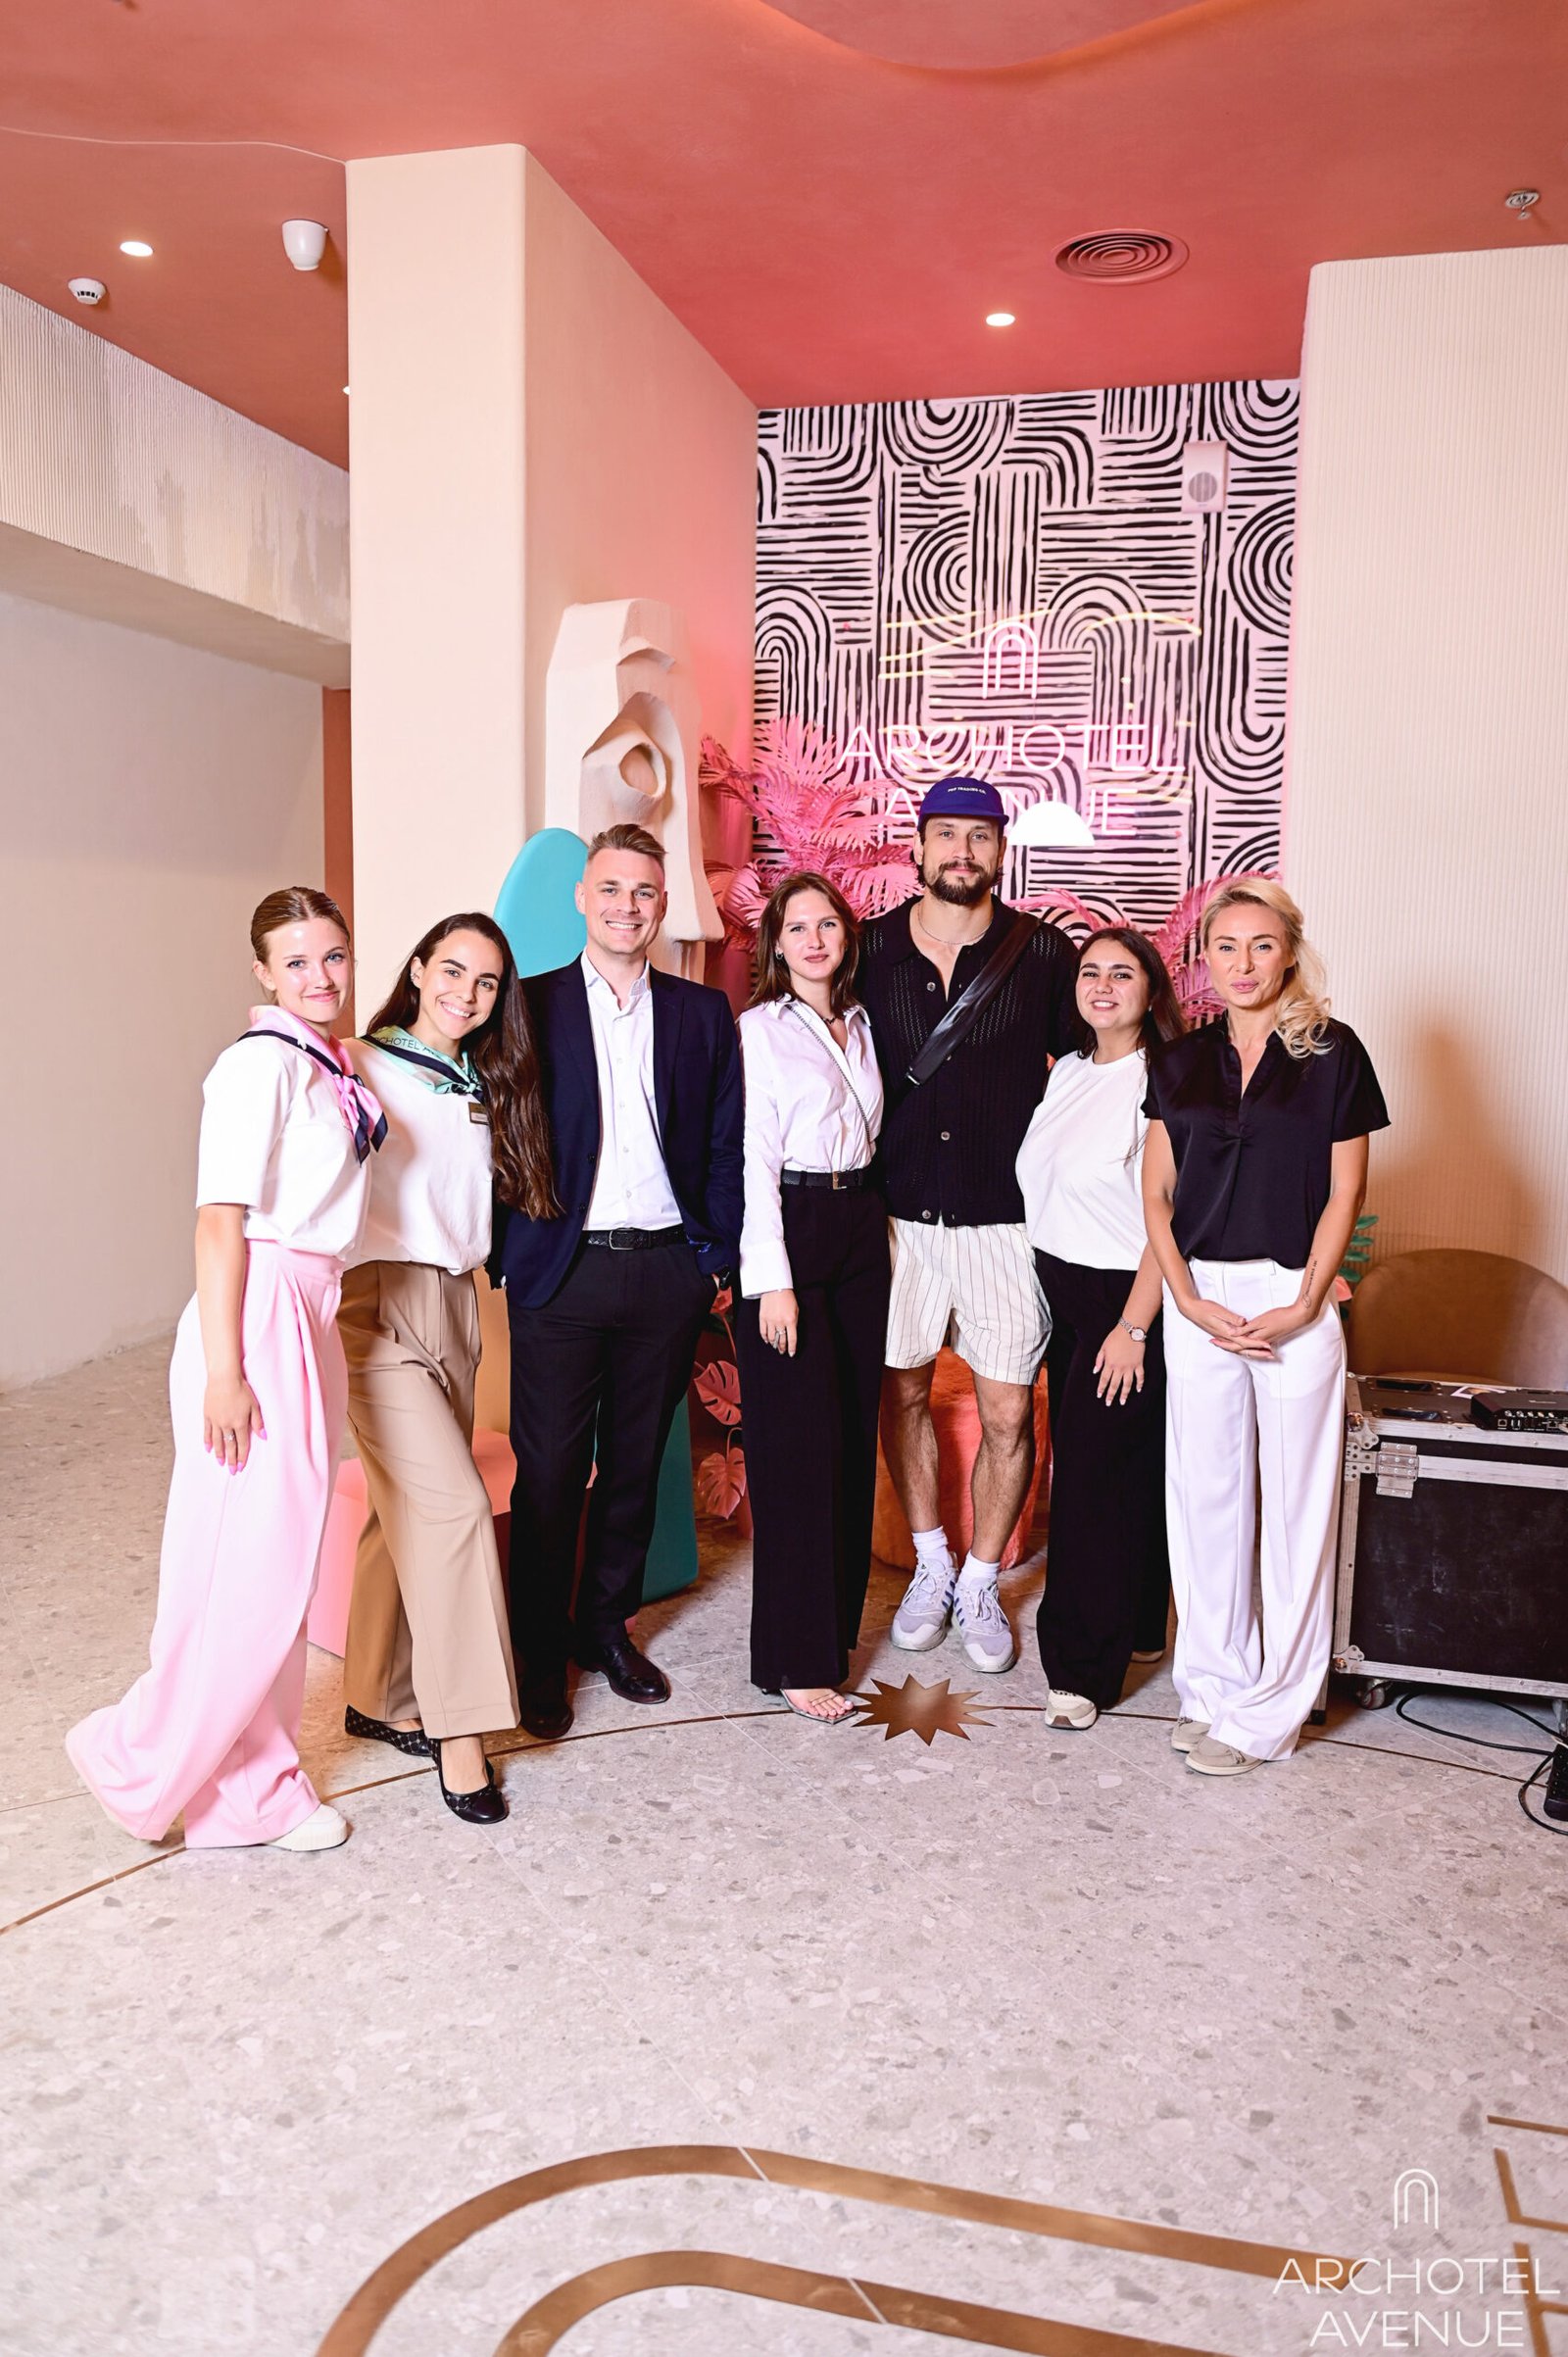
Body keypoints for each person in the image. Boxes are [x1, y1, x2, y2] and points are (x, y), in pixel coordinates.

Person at [67, 887, 383, 1853]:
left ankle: (247, 1787)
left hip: (308, 1308)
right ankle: (143, 1758)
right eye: (297, 961)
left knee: (276, 1568)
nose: (320, 976)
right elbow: (218, 1221)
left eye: (332, 955)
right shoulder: (257, 1065)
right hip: (258, 1312)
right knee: (245, 1569)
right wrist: (224, 1370)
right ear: (262, 971)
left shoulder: (329, 1061)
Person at [497, 822, 744, 1738]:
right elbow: (496, 1133)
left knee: (637, 1466)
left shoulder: (700, 1013)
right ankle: (538, 1657)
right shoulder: (528, 1004)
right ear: (582, 897)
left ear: (661, 904)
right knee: (551, 1474)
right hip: (563, 1273)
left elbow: (725, 1142)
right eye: (610, 888)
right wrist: (506, 1250)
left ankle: (604, 1628)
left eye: (643, 892)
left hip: (666, 1270)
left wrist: (710, 1258)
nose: (626, 906)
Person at [1142, 876, 1389, 1777]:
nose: (1242, 963)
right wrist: (1185, 1298)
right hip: (1202, 1299)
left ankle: (1272, 1711)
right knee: (1205, 1502)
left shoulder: (1335, 1052)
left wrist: (1307, 1301)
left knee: (1293, 1513)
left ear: (1289, 952)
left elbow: (1347, 1190)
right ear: (1204, 959)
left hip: (1294, 1297)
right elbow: (1157, 1194)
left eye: (1261, 944)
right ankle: (1212, 1687)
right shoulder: (1179, 1059)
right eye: (1225, 946)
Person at [858, 775, 1079, 1674]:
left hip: (1004, 1223)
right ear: (917, 846)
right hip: (896, 1219)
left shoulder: (1046, 954)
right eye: (946, 833)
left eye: (979, 836)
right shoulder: (866, 948)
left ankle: (982, 1578)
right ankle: (931, 1563)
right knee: (901, 1392)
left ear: (1001, 850)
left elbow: (1099, 1068)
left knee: (1009, 1409)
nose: (962, 851)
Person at [339, 913, 557, 1825]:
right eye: (453, 970)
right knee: (457, 1506)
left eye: (487, 982)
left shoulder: (483, 1078)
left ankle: (377, 1690)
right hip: (377, 1305)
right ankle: (461, 1733)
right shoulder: (357, 1063)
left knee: (403, 1507)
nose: (467, 993)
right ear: (420, 967)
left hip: (459, 1303)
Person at [1017, 929, 1185, 1730]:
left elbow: (1171, 1217)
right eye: (1091, 972)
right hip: (1065, 1291)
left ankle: (1082, 1670)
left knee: (1088, 1486)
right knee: (1123, 1471)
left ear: (1151, 991)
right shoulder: (1071, 1071)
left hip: (1125, 1298)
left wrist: (1135, 1325)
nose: (1104, 986)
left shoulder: (1165, 1079)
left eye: (1123, 973)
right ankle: (1143, 1626)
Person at [735, 873, 889, 1723]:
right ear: (777, 943)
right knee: (795, 1451)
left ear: (846, 935)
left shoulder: (862, 1023)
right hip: (791, 1224)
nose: (815, 939)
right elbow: (752, 1159)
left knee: (850, 1437)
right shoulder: (758, 1030)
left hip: (861, 1224)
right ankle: (793, 1658)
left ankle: (832, 1638)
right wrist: (772, 1280)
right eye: (798, 927)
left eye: (827, 923)